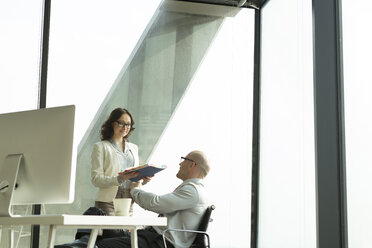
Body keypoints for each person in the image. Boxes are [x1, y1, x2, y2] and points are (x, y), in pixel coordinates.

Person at [96, 150, 211, 248]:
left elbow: (155, 203)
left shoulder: (193, 191)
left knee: (101, 244)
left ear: (192, 164)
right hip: (151, 237)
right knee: (95, 213)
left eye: (183, 160)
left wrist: (135, 190)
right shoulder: (196, 190)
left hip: (158, 242)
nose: (180, 164)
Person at [91, 107, 143, 216]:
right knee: (112, 232)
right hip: (108, 201)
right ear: (112, 123)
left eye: (128, 124)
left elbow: (134, 178)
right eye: (121, 123)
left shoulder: (134, 148)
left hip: (129, 200)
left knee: (126, 233)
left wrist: (143, 178)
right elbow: (96, 180)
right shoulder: (101, 147)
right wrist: (119, 179)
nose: (125, 127)